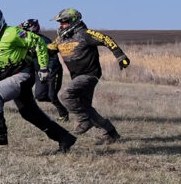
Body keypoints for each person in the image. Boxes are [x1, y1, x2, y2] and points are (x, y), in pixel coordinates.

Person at [0, 6, 75, 151]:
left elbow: (38, 42)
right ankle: (65, 138)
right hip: (11, 78)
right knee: (29, 113)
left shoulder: (13, 33)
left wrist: (43, 67)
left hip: (23, 74)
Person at [48, 8, 130, 144]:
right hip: (77, 77)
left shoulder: (86, 34)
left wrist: (120, 56)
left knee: (65, 95)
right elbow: (49, 49)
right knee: (85, 106)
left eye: (63, 22)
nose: (60, 25)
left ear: (74, 21)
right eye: (59, 23)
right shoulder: (61, 39)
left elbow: (106, 39)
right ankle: (110, 133)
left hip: (89, 75)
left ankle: (84, 120)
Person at [20, 18, 69, 122]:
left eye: (26, 30)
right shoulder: (26, 42)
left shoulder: (44, 40)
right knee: (40, 96)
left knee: (51, 95)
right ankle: (55, 101)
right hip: (39, 72)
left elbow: (53, 58)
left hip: (52, 71)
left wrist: (48, 70)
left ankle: (64, 114)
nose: (24, 32)